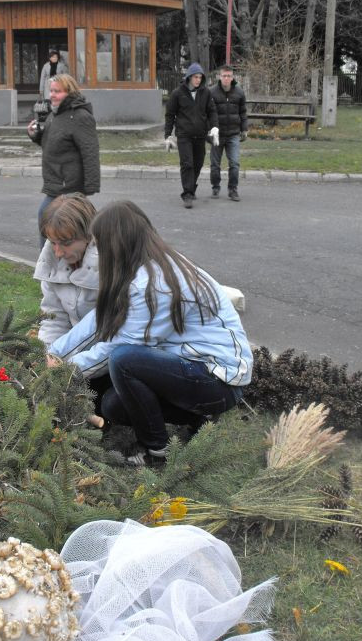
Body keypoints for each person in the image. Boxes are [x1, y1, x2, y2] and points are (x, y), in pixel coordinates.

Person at [48, 201, 253, 465]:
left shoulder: (155, 285)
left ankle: (156, 451)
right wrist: (54, 353)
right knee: (112, 405)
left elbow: (118, 348)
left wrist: (63, 372)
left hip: (218, 381)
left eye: (100, 244)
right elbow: (98, 320)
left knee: (124, 360)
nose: (97, 251)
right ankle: (196, 417)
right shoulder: (139, 268)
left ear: (117, 242)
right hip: (190, 367)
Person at [34, 192, 110, 418]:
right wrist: (45, 357)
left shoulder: (110, 265)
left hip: (109, 355)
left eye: (65, 243)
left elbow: (114, 336)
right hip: (73, 354)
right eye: (52, 242)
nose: (57, 252)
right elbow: (53, 319)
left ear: (88, 236)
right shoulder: (52, 262)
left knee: (107, 406)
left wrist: (68, 369)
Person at [28, 74, 100, 248]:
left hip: (68, 186)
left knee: (47, 219)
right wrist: (36, 135)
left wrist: (89, 188)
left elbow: (90, 152)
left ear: (70, 92)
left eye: (57, 91)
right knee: (57, 226)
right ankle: (58, 266)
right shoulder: (56, 114)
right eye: (51, 91)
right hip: (55, 182)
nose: (52, 95)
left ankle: (49, 267)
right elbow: (51, 144)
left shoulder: (80, 116)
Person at [164, 63, 219, 209]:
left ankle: (191, 187)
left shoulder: (205, 93)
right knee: (187, 164)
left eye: (200, 77)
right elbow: (170, 115)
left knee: (198, 164)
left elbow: (212, 111)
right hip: (184, 135)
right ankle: (187, 194)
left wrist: (214, 127)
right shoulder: (177, 93)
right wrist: (168, 135)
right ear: (189, 77)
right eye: (196, 77)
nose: (198, 80)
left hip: (200, 135)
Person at [209, 65, 248, 202]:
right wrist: (209, 131)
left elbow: (243, 112)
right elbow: (206, 113)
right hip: (217, 135)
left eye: (229, 76)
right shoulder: (211, 92)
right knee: (215, 165)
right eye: (224, 76)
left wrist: (244, 129)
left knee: (235, 163)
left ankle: (233, 189)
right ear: (219, 77)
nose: (226, 78)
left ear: (233, 77)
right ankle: (215, 186)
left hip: (233, 134)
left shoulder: (239, 92)